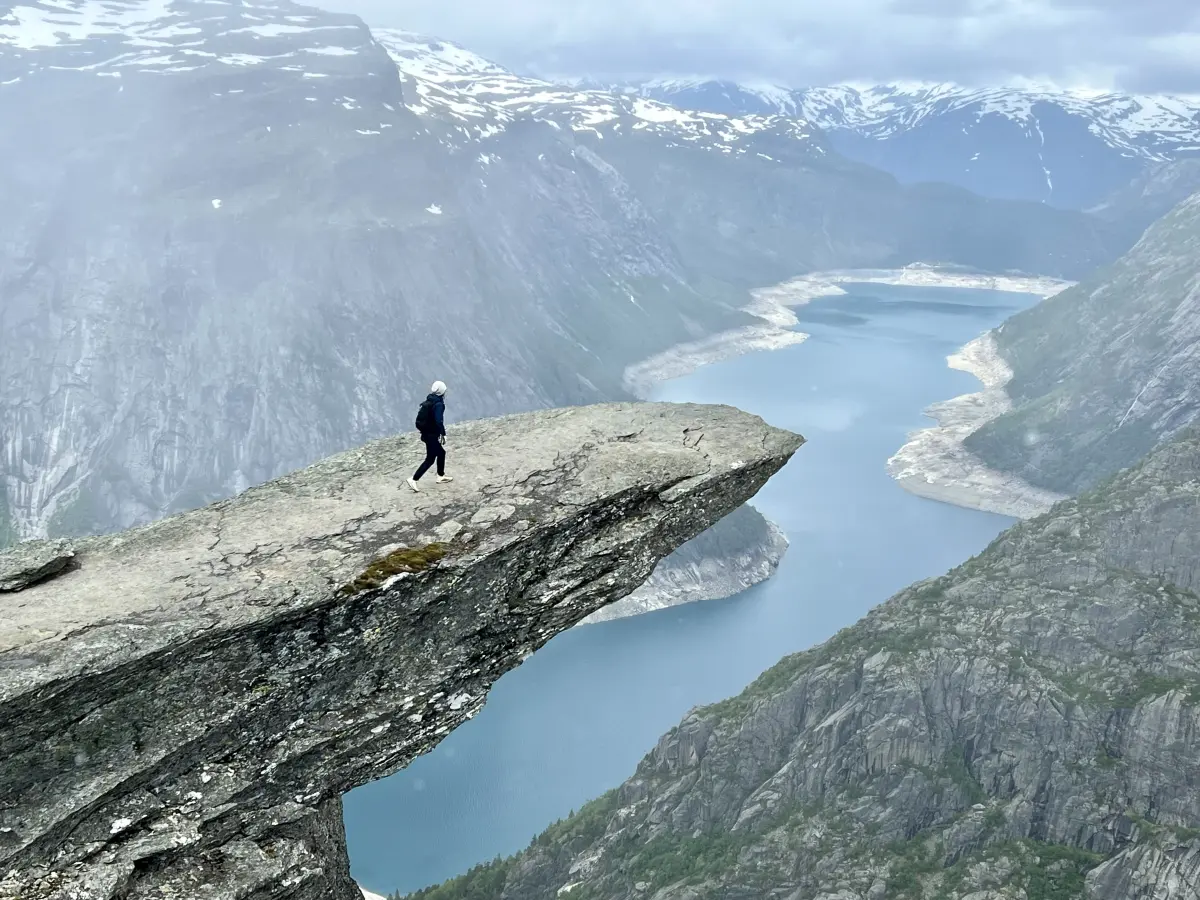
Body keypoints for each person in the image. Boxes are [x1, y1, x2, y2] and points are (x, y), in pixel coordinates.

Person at [407, 381, 452, 491]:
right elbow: (438, 421)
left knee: (441, 453)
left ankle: (440, 476)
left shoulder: (430, 400)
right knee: (430, 459)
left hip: (427, 433)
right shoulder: (438, 404)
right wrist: (443, 434)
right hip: (431, 435)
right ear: (442, 392)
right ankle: (414, 479)